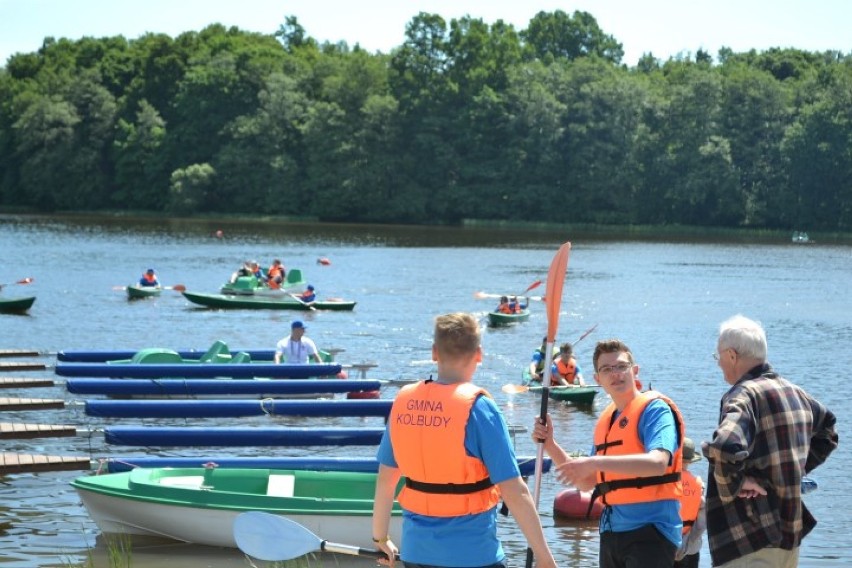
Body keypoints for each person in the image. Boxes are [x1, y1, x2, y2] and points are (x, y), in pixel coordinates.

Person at [371, 312, 558, 568]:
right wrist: (544, 557)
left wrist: (380, 537)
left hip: (417, 554)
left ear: (434, 352)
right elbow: (514, 491)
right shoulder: (480, 409)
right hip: (475, 556)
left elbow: (385, 480)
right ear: (479, 354)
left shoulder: (404, 403)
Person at [532, 338, 685, 568]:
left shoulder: (654, 410)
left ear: (634, 370)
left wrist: (593, 462)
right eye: (606, 369)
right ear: (597, 379)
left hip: (651, 532)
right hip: (611, 532)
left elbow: (658, 463)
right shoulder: (606, 421)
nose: (615, 374)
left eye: (621, 366)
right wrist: (551, 444)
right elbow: (585, 483)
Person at [702, 314, 838, 567]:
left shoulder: (742, 395)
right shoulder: (796, 393)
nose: (718, 363)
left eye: (718, 356)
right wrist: (792, 471)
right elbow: (828, 433)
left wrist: (737, 482)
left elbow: (724, 447)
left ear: (732, 355)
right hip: (789, 532)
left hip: (747, 538)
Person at [674, 438, 705, 568]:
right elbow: (701, 523)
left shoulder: (665, 484)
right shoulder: (699, 485)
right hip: (691, 547)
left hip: (668, 544)